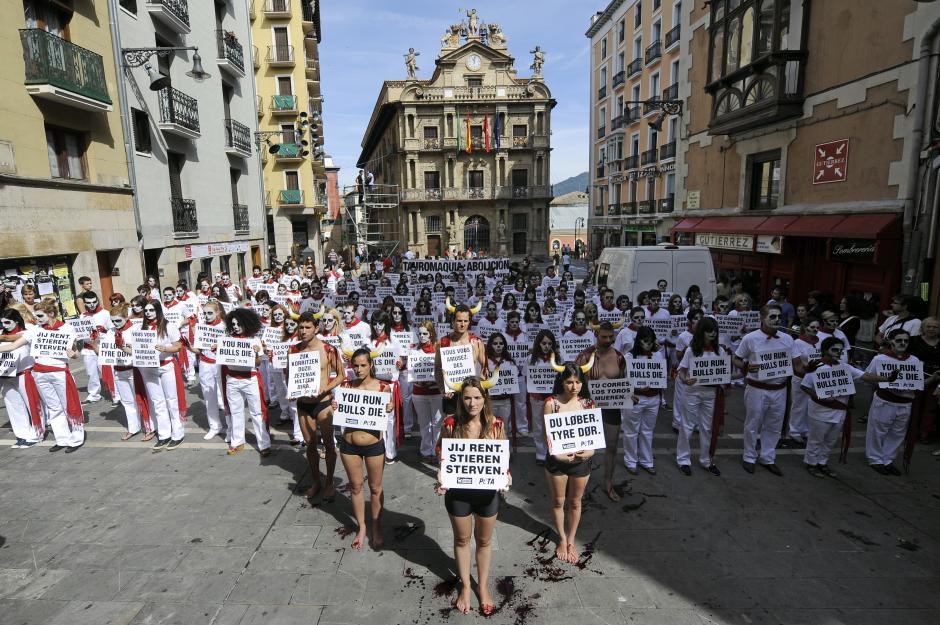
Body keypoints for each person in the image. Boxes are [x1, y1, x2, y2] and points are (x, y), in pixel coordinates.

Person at [434, 377, 510, 616]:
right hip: (458, 494)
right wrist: (441, 471)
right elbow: (440, 449)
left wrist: (506, 474)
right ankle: (466, 587)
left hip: (487, 494)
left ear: (484, 399)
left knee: (485, 542)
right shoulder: (450, 423)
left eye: (477, 397)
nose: (472, 402)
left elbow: (503, 454)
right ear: (460, 399)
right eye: (467, 397)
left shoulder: (496, 424)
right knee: (462, 540)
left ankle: (483, 586)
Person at [801, 337, 896, 477]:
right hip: (820, 410)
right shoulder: (817, 366)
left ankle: (822, 462)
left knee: (831, 440)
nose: (838, 353)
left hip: (839, 411)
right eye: (834, 350)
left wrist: (887, 379)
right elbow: (805, 386)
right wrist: (819, 396)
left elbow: (866, 376)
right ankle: (811, 463)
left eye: (840, 350)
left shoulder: (845, 367)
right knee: (816, 439)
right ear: (826, 350)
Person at [0, 300, 84, 451]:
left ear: (51, 313)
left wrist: (74, 355)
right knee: (54, 407)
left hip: (59, 372)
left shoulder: (67, 328)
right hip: (40, 373)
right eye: (36, 315)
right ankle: (62, 439)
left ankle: (76, 438)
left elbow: (75, 352)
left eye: (40, 316)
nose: (37, 319)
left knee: (68, 405)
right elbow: (13, 345)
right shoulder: (35, 330)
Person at [332, 348, 392, 549]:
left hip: (374, 445)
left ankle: (376, 527)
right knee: (356, 487)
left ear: (370, 365)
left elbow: (387, 412)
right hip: (349, 445)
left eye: (363, 365)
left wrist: (389, 408)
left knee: (375, 488)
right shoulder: (345, 386)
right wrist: (335, 406)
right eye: (355, 365)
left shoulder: (383, 388)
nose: (358, 369)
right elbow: (339, 410)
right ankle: (362, 527)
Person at [733, 305, 800, 476]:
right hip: (757, 388)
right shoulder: (750, 338)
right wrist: (747, 366)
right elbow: (736, 359)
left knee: (774, 424)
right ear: (762, 318)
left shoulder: (787, 339)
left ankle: (768, 457)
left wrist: (811, 367)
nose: (777, 320)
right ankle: (749, 456)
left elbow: (797, 364)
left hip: (780, 389)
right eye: (772, 317)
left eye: (779, 317)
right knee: (753, 422)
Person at [542, 361, 596, 562]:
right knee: (558, 501)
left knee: (575, 502)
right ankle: (561, 539)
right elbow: (546, 436)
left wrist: (588, 453)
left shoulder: (588, 404)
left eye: (577, 382)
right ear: (561, 382)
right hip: (557, 462)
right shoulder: (551, 403)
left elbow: (593, 437)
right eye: (569, 382)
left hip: (581, 462)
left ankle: (571, 539)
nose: (574, 387)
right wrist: (558, 455)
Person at [676, 317, 739, 475]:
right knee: (687, 426)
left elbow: (725, 374)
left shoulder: (721, 351)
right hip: (693, 391)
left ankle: (706, 460)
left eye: (715, 331)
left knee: (707, 428)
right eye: (709, 330)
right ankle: (683, 459)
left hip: (712, 393)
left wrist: (741, 375)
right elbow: (681, 371)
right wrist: (685, 380)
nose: (713, 333)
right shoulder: (691, 350)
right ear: (701, 332)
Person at [293, 311, 345, 492]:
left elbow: (341, 375)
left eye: (308, 327)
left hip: (323, 402)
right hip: (303, 404)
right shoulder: (294, 349)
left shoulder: (328, 349)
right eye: (301, 327)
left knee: (329, 444)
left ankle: (329, 481)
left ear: (316, 328)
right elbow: (289, 377)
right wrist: (292, 391)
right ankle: (316, 481)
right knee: (310, 444)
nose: (304, 331)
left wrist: (326, 389)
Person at [129, 300, 187, 451]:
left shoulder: (168, 326)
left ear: (158, 311)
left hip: (166, 366)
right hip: (148, 368)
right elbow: (135, 349)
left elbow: (179, 345)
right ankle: (164, 434)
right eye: (146, 311)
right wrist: (122, 346)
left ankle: (177, 434)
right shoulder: (140, 328)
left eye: (151, 310)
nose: (148, 313)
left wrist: (166, 348)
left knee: (171, 400)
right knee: (157, 402)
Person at [866, 329, 925, 475]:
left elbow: (918, 383)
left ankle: (887, 459)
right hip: (885, 401)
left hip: (905, 404)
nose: (903, 343)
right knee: (878, 431)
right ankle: (875, 459)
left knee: (897, 433)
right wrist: (886, 382)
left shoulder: (914, 360)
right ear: (891, 341)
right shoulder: (880, 359)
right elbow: (867, 377)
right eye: (899, 340)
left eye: (906, 341)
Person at [221, 308, 271, 456]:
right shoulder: (227, 340)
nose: (235, 327)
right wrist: (217, 349)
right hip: (232, 380)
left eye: (239, 324)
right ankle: (237, 442)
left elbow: (257, 363)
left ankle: (264, 444)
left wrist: (256, 352)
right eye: (233, 324)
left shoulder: (254, 340)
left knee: (256, 412)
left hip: (250, 380)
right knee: (236, 411)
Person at [108, 303, 153, 441]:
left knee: (142, 398)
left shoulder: (136, 329)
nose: (115, 323)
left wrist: (125, 347)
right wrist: (93, 344)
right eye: (113, 321)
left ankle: (150, 427)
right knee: (127, 401)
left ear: (126, 317)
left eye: (118, 320)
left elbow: (141, 349)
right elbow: (105, 353)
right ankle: (133, 427)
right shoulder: (110, 331)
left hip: (134, 370)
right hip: (118, 370)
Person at [623, 326, 664, 475]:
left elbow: (661, 377)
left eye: (651, 341)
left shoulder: (658, 356)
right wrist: (630, 393)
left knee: (647, 431)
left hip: (653, 398)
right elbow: (623, 379)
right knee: (631, 432)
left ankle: (646, 460)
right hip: (636, 398)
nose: (648, 344)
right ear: (638, 341)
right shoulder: (629, 357)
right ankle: (630, 461)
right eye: (644, 341)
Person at [0, 308, 42, 448]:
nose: (4, 325)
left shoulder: (26, 331)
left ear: (16, 321)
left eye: (7, 322)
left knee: (32, 404)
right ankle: (22, 435)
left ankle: (36, 433)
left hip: (24, 374)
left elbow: (9, 339)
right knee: (13, 406)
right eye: (2, 323)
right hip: (5, 376)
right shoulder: (1, 333)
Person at [190, 301, 226, 440]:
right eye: (204, 313)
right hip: (205, 364)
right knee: (209, 396)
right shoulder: (202, 327)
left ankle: (231, 428)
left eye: (210, 313)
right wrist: (188, 345)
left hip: (220, 364)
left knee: (226, 396)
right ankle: (214, 426)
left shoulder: (224, 327)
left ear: (218, 313)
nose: (206, 316)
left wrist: (219, 345)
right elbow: (198, 349)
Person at [526, 329, 562, 466]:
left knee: (553, 425)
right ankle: (540, 453)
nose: (546, 346)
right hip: (537, 398)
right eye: (543, 343)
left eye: (549, 343)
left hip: (554, 399)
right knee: (538, 425)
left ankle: (552, 451)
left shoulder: (559, 359)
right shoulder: (530, 359)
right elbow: (527, 377)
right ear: (538, 343)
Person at [412, 321, 443, 462]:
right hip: (419, 392)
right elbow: (410, 372)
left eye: (425, 333)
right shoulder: (413, 349)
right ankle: (425, 451)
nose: (422, 336)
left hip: (436, 392)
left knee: (437, 424)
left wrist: (436, 380)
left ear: (431, 333)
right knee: (424, 424)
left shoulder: (439, 349)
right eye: (420, 334)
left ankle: (437, 451)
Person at [78, 291, 112, 404]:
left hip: (102, 347)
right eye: (88, 303)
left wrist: (104, 331)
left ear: (97, 300)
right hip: (88, 349)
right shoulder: (82, 316)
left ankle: (115, 394)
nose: (92, 304)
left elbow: (112, 331)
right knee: (91, 373)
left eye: (94, 302)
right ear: (85, 303)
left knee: (107, 372)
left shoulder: (105, 313)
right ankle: (94, 394)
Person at [910, 317, 940, 443]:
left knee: (931, 406)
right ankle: (912, 431)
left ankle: (925, 432)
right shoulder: (913, 341)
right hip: (916, 378)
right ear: (923, 327)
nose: (931, 329)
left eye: (935, 327)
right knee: (915, 405)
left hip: (937, 379)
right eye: (929, 326)